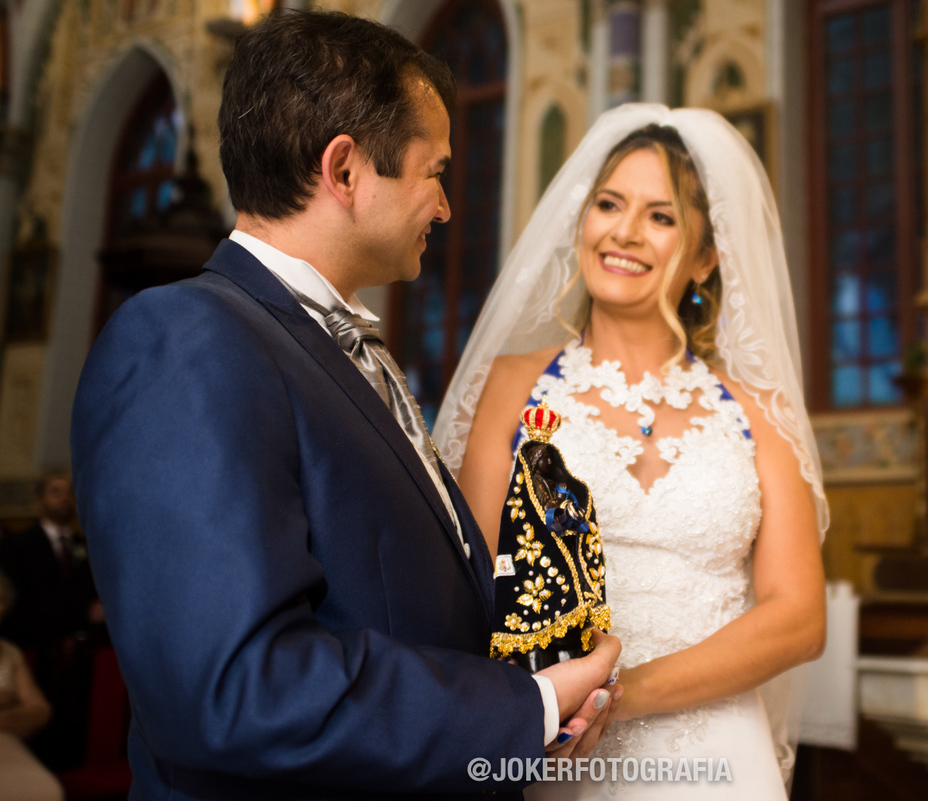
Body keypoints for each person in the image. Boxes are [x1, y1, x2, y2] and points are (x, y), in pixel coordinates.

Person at [70, 11, 620, 801]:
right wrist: (523, 709)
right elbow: (236, 687)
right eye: (434, 172)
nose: (445, 206)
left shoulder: (334, 345)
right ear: (346, 169)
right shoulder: (186, 340)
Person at [437, 105, 828, 799]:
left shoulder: (760, 413)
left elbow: (798, 615)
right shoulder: (512, 385)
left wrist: (616, 696)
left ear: (707, 255)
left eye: (661, 216)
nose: (624, 231)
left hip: (719, 761)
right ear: (581, 222)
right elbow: (472, 580)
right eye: (609, 204)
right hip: (557, 754)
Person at [0, 471, 97, 652]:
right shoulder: (17, 545)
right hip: (30, 645)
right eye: (55, 492)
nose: (64, 497)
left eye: (69, 492)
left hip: (79, 647)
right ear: (39, 500)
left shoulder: (85, 546)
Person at [0, 570, 64, 801]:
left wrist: (6, 711)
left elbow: (41, 711)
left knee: (46, 790)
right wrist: (8, 699)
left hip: (5, 740)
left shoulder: (10, 653)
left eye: (0, 601)